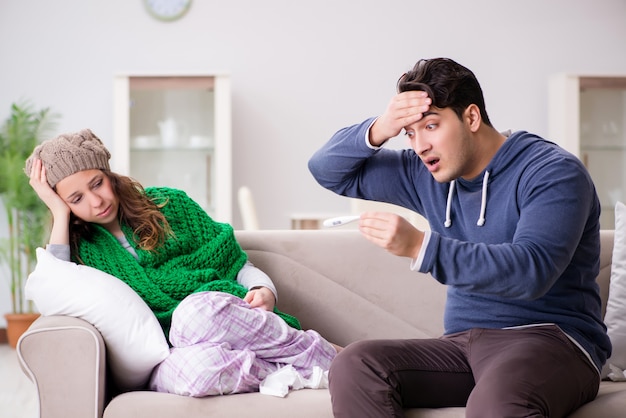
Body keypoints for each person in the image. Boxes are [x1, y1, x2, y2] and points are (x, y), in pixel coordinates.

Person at [308, 57, 611, 417]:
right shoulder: (426, 174)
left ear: (471, 117)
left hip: (553, 341)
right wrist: (382, 126)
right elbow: (327, 170)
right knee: (356, 363)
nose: (419, 145)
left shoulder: (552, 172)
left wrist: (421, 247)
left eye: (431, 125)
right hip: (463, 345)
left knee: (495, 404)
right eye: (410, 132)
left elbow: (532, 271)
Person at [26, 129, 338, 397]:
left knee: (192, 316)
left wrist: (262, 289)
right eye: (75, 199)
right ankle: (294, 371)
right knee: (197, 373)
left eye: (96, 184)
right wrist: (58, 212)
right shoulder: (83, 248)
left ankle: (322, 357)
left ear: (109, 174)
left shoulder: (170, 205)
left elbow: (237, 264)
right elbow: (56, 283)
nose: (96, 201)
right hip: (171, 354)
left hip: (216, 316)